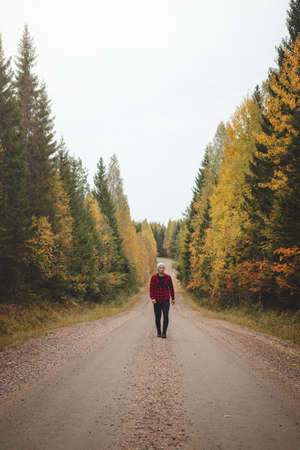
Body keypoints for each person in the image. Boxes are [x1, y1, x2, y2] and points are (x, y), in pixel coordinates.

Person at [149, 262, 175, 338]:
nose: (161, 269)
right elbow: (151, 288)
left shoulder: (168, 277)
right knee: (158, 316)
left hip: (165, 299)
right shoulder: (153, 277)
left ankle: (164, 332)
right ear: (158, 269)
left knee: (166, 316)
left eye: (163, 268)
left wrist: (173, 298)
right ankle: (159, 332)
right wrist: (152, 298)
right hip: (157, 300)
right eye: (160, 268)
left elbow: (171, 288)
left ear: (164, 269)